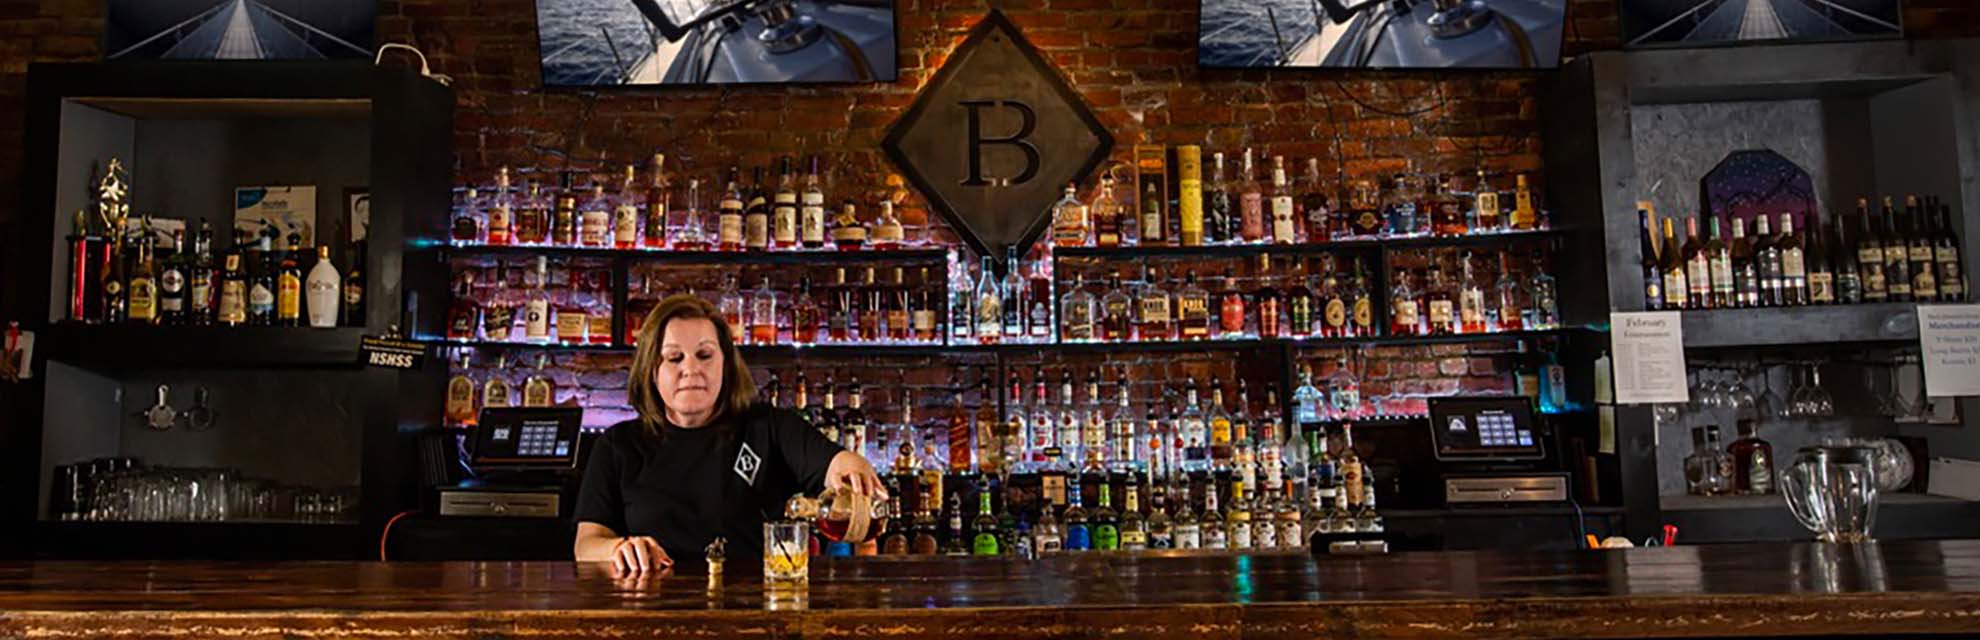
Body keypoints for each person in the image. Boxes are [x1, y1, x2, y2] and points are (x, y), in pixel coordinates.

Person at [573, 294, 885, 576]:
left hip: (752, 610)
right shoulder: (618, 445)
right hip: (648, 611)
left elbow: (835, 463)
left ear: (725, 363)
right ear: (651, 370)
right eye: (674, 358)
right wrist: (617, 549)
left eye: (705, 355)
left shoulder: (768, 428)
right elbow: (586, 544)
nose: (691, 369)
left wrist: (852, 467)